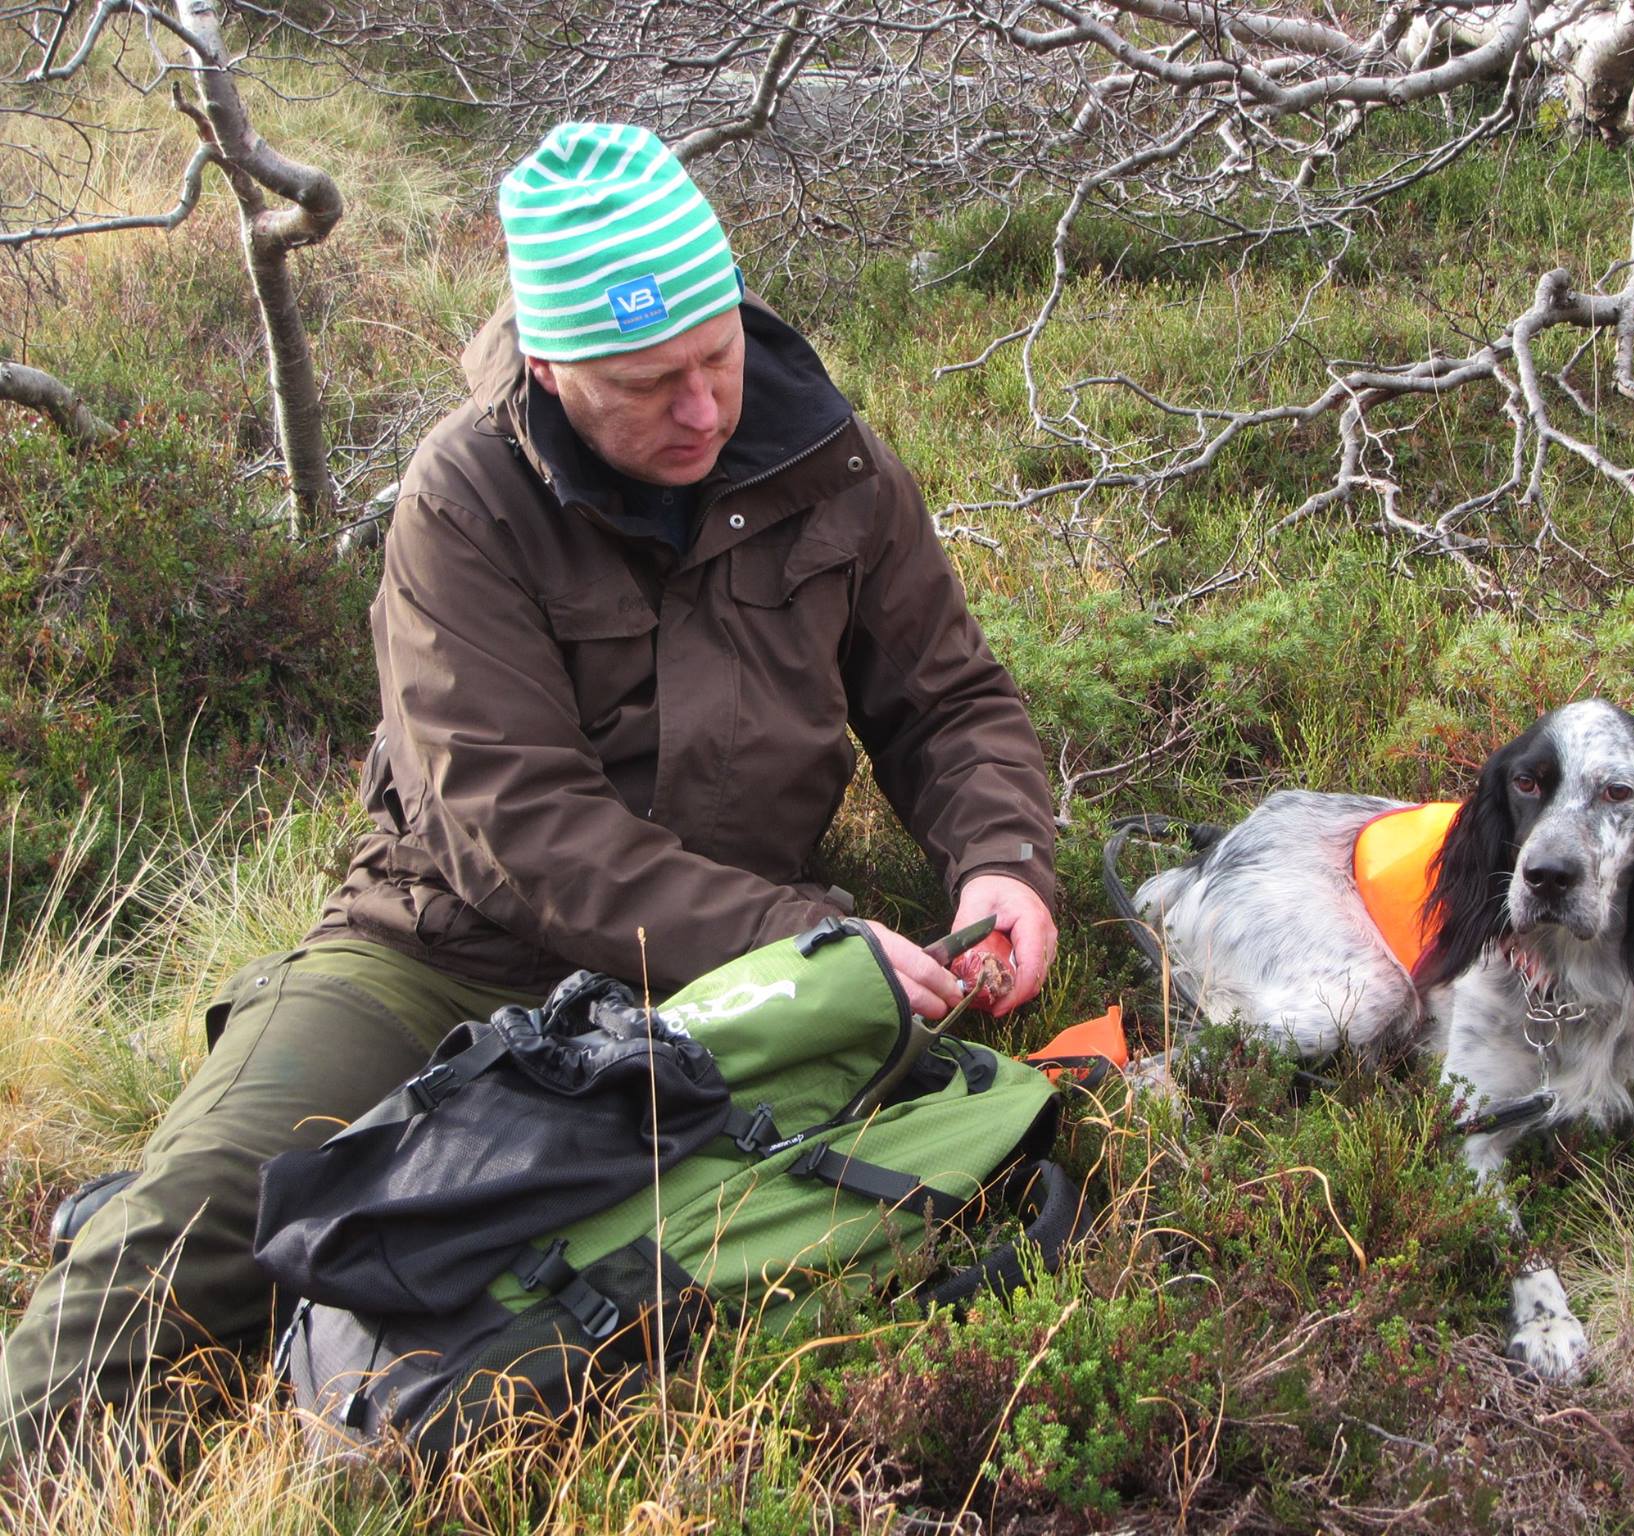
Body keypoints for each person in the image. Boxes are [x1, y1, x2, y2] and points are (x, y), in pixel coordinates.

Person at [1, 121, 1058, 1449]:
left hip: (730, 982)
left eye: (717, 357)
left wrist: (1003, 861)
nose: (703, 412)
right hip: (445, 955)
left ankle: (364, 1221)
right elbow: (519, 831)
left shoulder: (828, 462)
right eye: (646, 383)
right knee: (186, 1235)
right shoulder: (462, 501)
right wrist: (804, 943)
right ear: (551, 364)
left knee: (871, 1203)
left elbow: (948, 700)